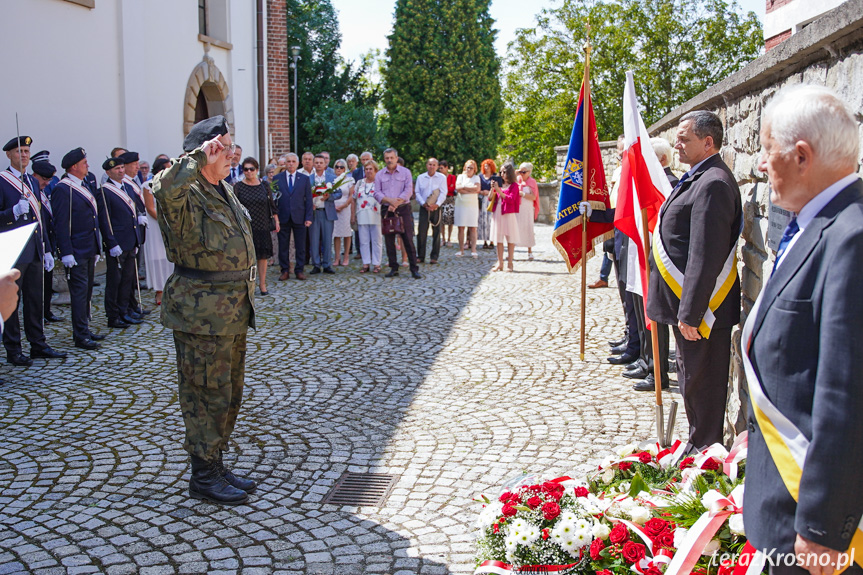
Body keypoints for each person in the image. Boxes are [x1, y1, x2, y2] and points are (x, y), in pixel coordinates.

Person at [741, 86, 863, 575]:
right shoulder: (818, 225)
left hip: (816, 533)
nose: (761, 165)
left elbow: (846, 392)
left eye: (767, 151)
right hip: (783, 501)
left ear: (801, 156)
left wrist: (822, 526)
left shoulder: (851, 237)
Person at [151, 115, 257, 505]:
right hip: (201, 314)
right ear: (203, 151)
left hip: (231, 311)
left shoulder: (224, 189)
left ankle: (216, 462)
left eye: (230, 146)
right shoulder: (186, 192)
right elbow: (161, 188)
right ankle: (203, 475)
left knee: (228, 393)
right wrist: (196, 158)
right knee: (203, 393)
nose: (231, 154)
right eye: (223, 147)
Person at [646, 110, 741, 452]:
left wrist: (691, 312)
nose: (678, 144)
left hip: (704, 309)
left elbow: (705, 252)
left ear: (708, 141)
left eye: (685, 138)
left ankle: (706, 451)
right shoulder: (698, 176)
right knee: (690, 378)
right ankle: (697, 443)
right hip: (689, 303)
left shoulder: (713, 182)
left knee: (702, 383)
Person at [0, 136, 66, 364]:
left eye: (27, 151)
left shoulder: (31, 181)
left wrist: (46, 248)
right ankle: (14, 350)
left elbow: (41, 220)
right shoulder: (2, 181)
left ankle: (38, 344)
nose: (24, 155)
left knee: (35, 301)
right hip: (13, 252)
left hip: (35, 250)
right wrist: (12, 214)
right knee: (11, 303)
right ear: (8, 155)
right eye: (19, 151)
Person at [629, 138, 677, 393]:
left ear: (660, 159)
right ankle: (648, 363)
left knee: (655, 318)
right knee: (643, 313)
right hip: (643, 256)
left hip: (658, 259)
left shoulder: (667, 184)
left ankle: (658, 372)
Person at [51, 147, 106, 350]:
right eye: (84, 163)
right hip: (76, 250)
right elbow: (61, 223)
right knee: (79, 293)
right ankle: (80, 335)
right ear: (74, 167)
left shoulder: (80, 185)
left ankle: (84, 328)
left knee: (87, 292)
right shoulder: (63, 189)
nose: (87, 166)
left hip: (88, 248)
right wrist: (65, 252)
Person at [98, 156, 143, 328]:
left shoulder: (127, 188)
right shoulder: (104, 190)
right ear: (109, 172)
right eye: (117, 169)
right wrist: (111, 242)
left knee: (127, 280)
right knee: (114, 282)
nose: (121, 171)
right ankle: (113, 315)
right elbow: (105, 219)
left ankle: (125, 311)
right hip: (117, 243)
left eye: (122, 168)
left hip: (130, 240)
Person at [234, 157, 279, 295]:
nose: (248, 172)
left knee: (262, 257)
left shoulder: (264, 185)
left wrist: (276, 221)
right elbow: (235, 208)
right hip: (247, 227)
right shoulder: (238, 187)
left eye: (251, 169)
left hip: (263, 225)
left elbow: (271, 205)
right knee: (247, 258)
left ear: (257, 170)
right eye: (246, 169)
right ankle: (248, 285)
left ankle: (262, 284)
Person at [374, 148, 421, 279]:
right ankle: (393, 268)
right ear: (384, 159)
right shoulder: (379, 175)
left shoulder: (406, 172)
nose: (389, 160)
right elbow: (377, 193)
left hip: (403, 208)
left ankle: (414, 268)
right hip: (386, 209)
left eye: (391, 158)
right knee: (389, 240)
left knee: (408, 238)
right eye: (387, 158)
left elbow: (408, 191)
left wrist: (395, 203)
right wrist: (389, 202)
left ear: (396, 158)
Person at [590, 136, 625, 289]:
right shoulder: (618, 170)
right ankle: (603, 277)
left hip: (623, 217)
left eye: (622, 153)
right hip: (613, 213)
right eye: (619, 153)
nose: (620, 156)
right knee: (609, 247)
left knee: (616, 249)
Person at [31, 160, 63, 323]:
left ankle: (46, 311)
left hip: (48, 242)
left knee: (47, 281)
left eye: (49, 180)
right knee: (37, 286)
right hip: (37, 244)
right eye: (44, 179)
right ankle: (39, 314)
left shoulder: (43, 192)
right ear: (34, 175)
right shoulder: (31, 192)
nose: (46, 183)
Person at [274, 153, 312, 281]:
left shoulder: (304, 179)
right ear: (285, 163)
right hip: (283, 216)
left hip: (299, 216)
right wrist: (275, 217)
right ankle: (284, 270)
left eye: (293, 161)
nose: (290, 164)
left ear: (297, 163)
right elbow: (274, 200)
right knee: (283, 245)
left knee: (300, 245)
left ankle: (299, 270)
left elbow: (308, 200)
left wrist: (308, 217)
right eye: (288, 161)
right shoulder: (277, 178)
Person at [120, 151, 149, 318]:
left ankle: (132, 305)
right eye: (134, 164)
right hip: (127, 236)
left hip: (136, 235)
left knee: (133, 274)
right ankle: (127, 308)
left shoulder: (131, 182)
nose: (137, 167)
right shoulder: (125, 184)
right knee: (127, 277)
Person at [141, 158, 174, 305]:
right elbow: (150, 207)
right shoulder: (148, 185)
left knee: (169, 257)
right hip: (155, 226)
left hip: (170, 223)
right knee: (157, 257)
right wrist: (163, 221)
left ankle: (171, 289)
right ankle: (159, 291)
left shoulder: (169, 184)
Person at [309, 154, 339, 274]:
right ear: (313, 164)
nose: (319, 165)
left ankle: (327, 264)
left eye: (321, 162)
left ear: (325, 164)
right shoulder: (309, 179)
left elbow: (339, 193)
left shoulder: (332, 178)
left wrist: (329, 197)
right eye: (316, 162)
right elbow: (304, 195)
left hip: (327, 212)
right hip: (315, 212)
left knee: (327, 239)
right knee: (314, 240)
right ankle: (316, 264)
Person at [415, 157, 447, 264]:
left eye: (434, 165)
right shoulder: (421, 177)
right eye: (429, 164)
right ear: (426, 165)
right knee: (422, 232)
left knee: (437, 232)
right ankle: (420, 255)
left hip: (436, 208)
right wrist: (423, 203)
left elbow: (443, 192)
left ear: (437, 166)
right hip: (424, 207)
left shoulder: (441, 177)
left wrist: (436, 205)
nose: (431, 167)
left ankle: (434, 256)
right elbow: (417, 192)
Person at [490, 164, 521, 272]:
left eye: (504, 172)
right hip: (498, 212)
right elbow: (490, 198)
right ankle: (500, 263)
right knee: (499, 239)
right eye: (500, 172)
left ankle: (510, 263)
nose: (502, 174)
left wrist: (499, 190)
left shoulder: (514, 186)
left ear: (509, 173)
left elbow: (511, 199)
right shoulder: (500, 184)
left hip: (508, 213)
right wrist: (492, 189)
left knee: (510, 239)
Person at [353, 161, 382, 273]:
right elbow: (354, 199)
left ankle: (377, 263)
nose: (368, 171)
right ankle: (365, 263)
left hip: (376, 214)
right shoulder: (359, 183)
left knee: (376, 240)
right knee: (363, 240)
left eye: (371, 169)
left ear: (375, 170)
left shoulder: (379, 183)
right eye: (366, 169)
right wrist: (353, 215)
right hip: (362, 214)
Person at [455, 160, 481, 257]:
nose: (469, 169)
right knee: (461, 227)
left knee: (473, 227)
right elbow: (458, 188)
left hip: (472, 205)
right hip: (461, 204)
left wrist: (464, 187)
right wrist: (471, 189)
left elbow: (477, 189)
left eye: (471, 168)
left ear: (474, 169)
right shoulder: (460, 177)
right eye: (467, 167)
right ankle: (461, 249)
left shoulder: (476, 177)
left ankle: (473, 250)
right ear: (464, 168)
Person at [332, 159, 354, 267]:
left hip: (345, 208)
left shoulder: (350, 180)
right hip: (334, 208)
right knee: (336, 234)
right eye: (337, 167)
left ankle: (346, 256)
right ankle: (337, 258)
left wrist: (343, 205)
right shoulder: (332, 180)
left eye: (341, 167)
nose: (339, 169)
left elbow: (351, 196)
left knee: (346, 233)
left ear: (345, 169)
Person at [516, 162, 538, 261]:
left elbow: (534, 197)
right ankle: (513, 250)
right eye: (520, 171)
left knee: (528, 227)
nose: (522, 173)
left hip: (527, 207)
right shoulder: (517, 180)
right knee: (516, 228)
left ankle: (530, 251)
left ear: (529, 172)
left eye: (524, 172)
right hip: (518, 207)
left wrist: (523, 194)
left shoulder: (532, 182)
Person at [478, 159, 496, 249]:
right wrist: (482, 192)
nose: (486, 167)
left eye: (488, 166)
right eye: (485, 165)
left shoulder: (495, 177)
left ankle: (492, 241)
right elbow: (477, 188)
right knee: (483, 220)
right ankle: (484, 241)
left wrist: (489, 192)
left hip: (492, 200)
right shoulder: (480, 176)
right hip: (482, 200)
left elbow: (498, 188)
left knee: (491, 220)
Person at [438, 160, 457, 247]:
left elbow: (452, 189)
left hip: (450, 199)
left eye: (442, 168)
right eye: (439, 168)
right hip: (441, 200)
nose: (440, 170)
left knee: (450, 220)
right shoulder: (438, 177)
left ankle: (449, 238)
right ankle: (443, 238)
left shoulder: (452, 177)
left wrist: (445, 189)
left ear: (446, 168)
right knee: (441, 220)